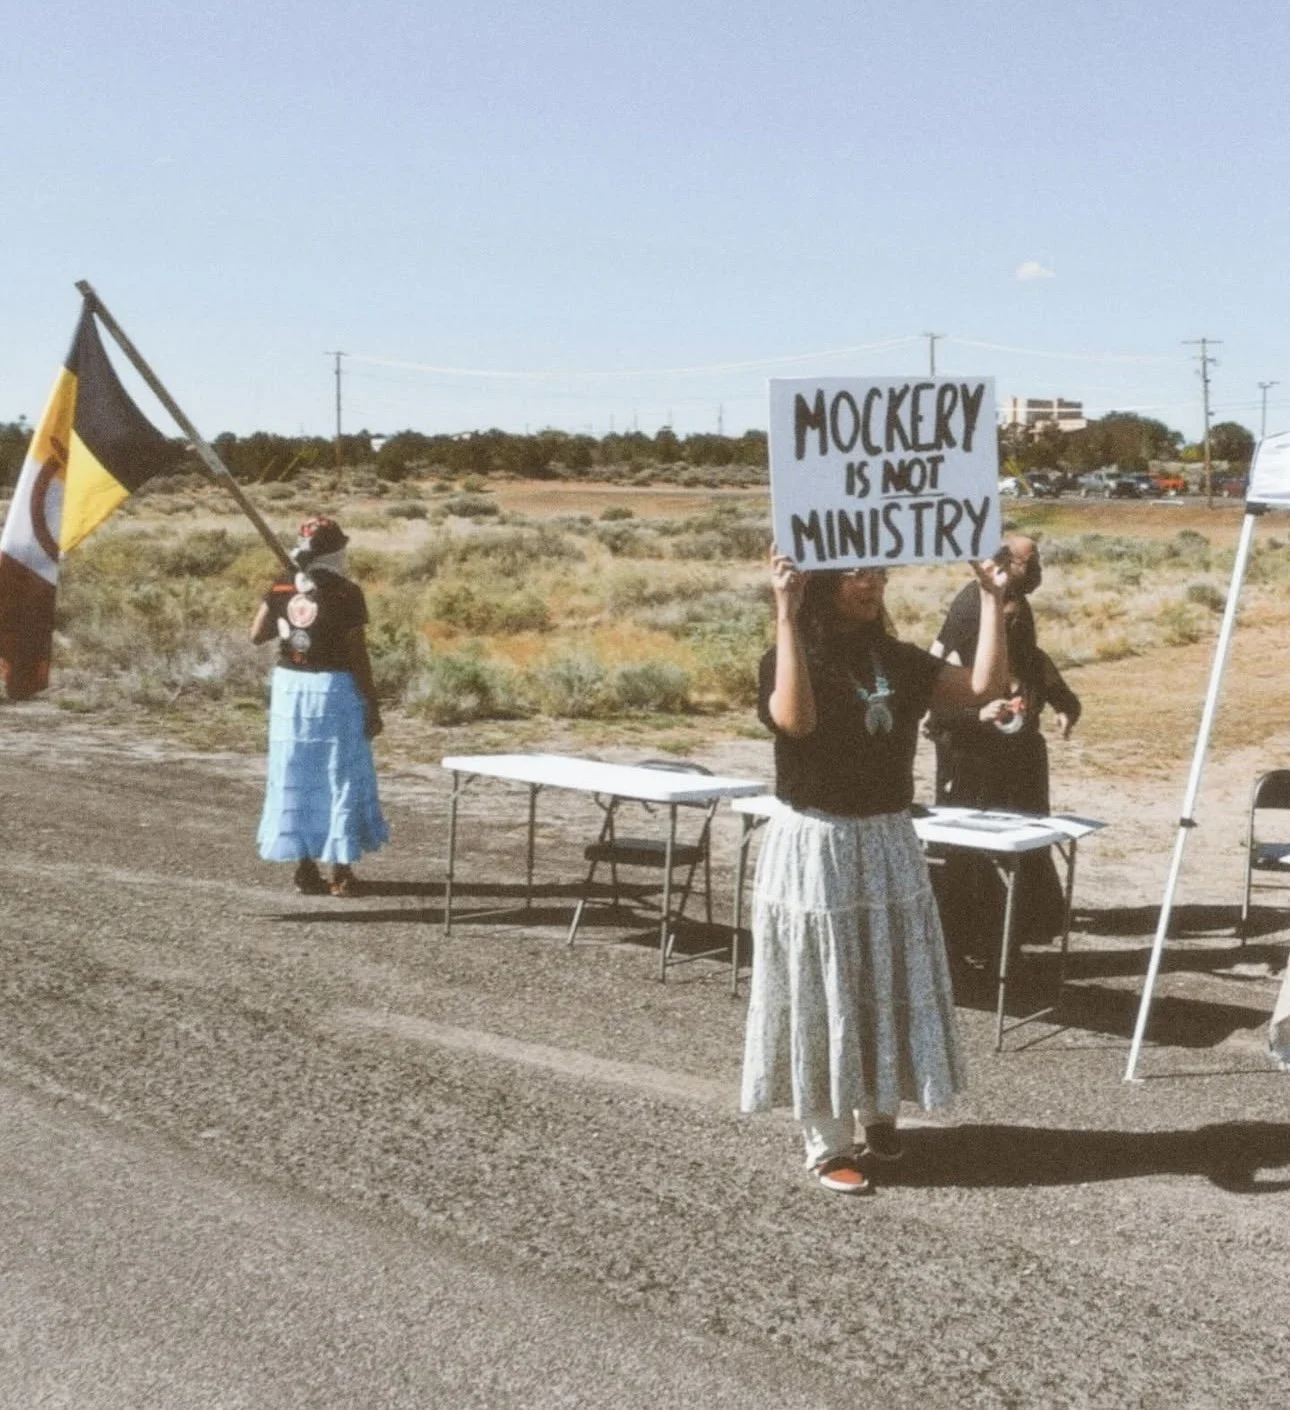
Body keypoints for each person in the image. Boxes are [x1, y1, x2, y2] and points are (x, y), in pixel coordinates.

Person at [740, 552, 1009, 1195]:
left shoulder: (901, 660)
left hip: (887, 836)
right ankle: (827, 1142)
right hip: (818, 840)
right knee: (822, 983)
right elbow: (796, 720)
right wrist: (786, 614)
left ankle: (879, 1112)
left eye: (880, 572)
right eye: (858, 572)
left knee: (886, 973)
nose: (873, 581)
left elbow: (983, 689)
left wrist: (991, 597)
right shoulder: (786, 655)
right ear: (825, 581)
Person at [926, 534, 1081, 965]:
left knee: (1025, 837)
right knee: (967, 847)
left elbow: (1036, 663)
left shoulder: (1019, 610)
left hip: (1017, 755)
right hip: (968, 756)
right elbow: (935, 703)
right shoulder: (970, 610)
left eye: (1038, 561)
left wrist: (1066, 704)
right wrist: (975, 715)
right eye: (1028, 563)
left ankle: (1023, 927)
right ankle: (961, 941)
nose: (1036, 570)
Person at [250, 515, 388, 896]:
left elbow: (255, 634)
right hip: (334, 689)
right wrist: (371, 703)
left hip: (290, 690)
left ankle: (305, 869)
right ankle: (341, 872)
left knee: (298, 773)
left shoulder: (281, 583)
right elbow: (357, 653)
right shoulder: (345, 592)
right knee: (338, 774)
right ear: (338, 551)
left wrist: (282, 600)